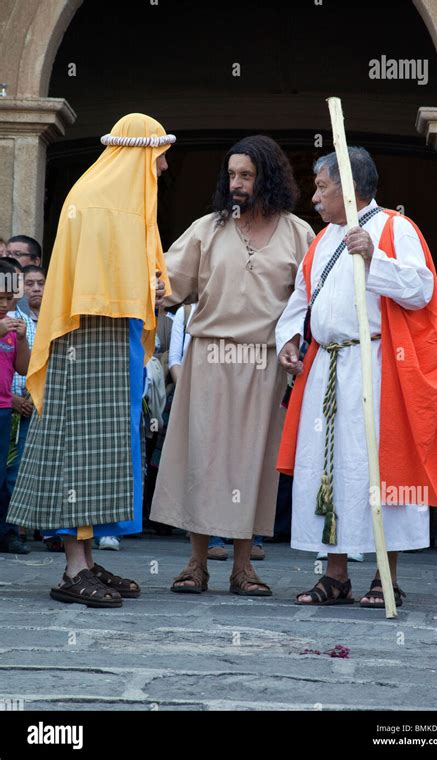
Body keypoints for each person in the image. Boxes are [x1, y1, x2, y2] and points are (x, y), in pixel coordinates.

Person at [276, 147, 437, 608]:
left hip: (379, 366)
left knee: (381, 469)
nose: (315, 198)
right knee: (330, 470)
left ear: (349, 186)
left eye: (322, 187)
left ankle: (385, 576)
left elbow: (422, 290)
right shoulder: (321, 241)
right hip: (327, 369)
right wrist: (288, 339)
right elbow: (300, 301)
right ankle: (335, 575)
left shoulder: (396, 228)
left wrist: (374, 259)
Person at [7, 113, 176, 607]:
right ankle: (72, 568)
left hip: (112, 338)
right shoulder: (91, 200)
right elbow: (90, 284)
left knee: (105, 451)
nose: (164, 167)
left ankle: (85, 557)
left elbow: (137, 276)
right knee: (80, 447)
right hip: (86, 341)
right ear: (140, 152)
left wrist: (154, 288)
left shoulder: (127, 202)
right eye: (159, 154)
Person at [151, 135, 315, 595]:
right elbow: (167, 283)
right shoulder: (207, 229)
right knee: (202, 455)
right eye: (232, 175)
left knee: (251, 464)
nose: (237, 184)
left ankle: (244, 566)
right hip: (209, 357)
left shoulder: (298, 233)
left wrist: (298, 346)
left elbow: (310, 301)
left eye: (247, 175)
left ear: (268, 178)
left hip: (264, 363)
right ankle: (195, 562)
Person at [0, 261, 30, 553]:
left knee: (5, 473)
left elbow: (23, 367)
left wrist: (21, 340)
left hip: (5, 409)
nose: (5, 304)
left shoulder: (12, 327)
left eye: (9, 299)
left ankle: (7, 533)